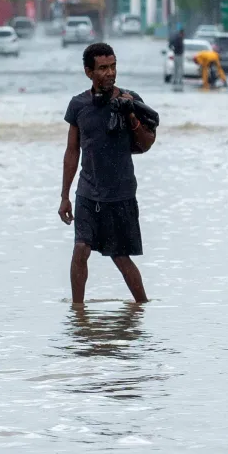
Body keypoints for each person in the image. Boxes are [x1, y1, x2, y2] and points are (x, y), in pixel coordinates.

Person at [60, 42, 157, 306]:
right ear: (88, 72)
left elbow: (147, 143)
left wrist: (131, 115)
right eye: (102, 68)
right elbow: (72, 152)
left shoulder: (130, 99)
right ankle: (77, 313)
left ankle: (142, 309)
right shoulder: (78, 105)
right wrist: (65, 196)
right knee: (81, 249)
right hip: (88, 193)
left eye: (113, 66)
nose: (110, 72)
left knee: (120, 256)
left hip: (121, 193)